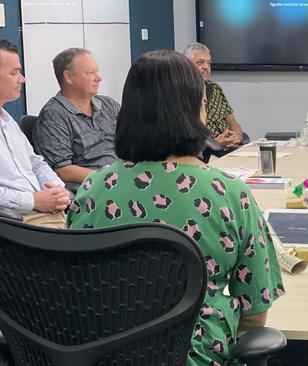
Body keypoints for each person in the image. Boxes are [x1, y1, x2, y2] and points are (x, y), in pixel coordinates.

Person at [66, 49, 284, 366]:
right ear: (196, 111)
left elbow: (77, 287)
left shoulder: (92, 189)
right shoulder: (229, 194)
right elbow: (255, 314)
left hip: (104, 354)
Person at [0, 39, 70, 228]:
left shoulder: (7, 120)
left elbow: (35, 162)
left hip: (45, 213)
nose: (22, 79)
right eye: (14, 73)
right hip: (16, 225)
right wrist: (34, 200)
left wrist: (57, 188)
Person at [32, 48, 120, 191]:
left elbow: (132, 142)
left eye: (97, 71)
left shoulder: (109, 105)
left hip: (120, 178)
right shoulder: (54, 115)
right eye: (91, 73)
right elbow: (62, 170)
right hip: (91, 188)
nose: (99, 77)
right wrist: (112, 177)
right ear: (68, 77)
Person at [184, 42, 244, 149]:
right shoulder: (179, 94)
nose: (206, 67)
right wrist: (214, 143)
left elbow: (233, 123)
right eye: (200, 62)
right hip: (204, 153)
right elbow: (185, 138)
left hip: (229, 149)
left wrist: (237, 136)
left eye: (209, 63)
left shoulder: (215, 88)